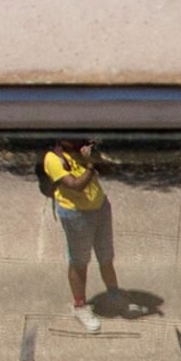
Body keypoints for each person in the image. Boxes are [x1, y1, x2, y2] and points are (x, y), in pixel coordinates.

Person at [44, 139, 122, 329]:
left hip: (100, 207)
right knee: (79, 261)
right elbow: (76, 185)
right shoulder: (53, 158)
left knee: (106, 256)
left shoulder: (83, 151)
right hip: (75, 214)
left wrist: (97, 158)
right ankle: (80, 306)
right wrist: (89, 164)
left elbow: (109, 171)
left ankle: (114, 297)